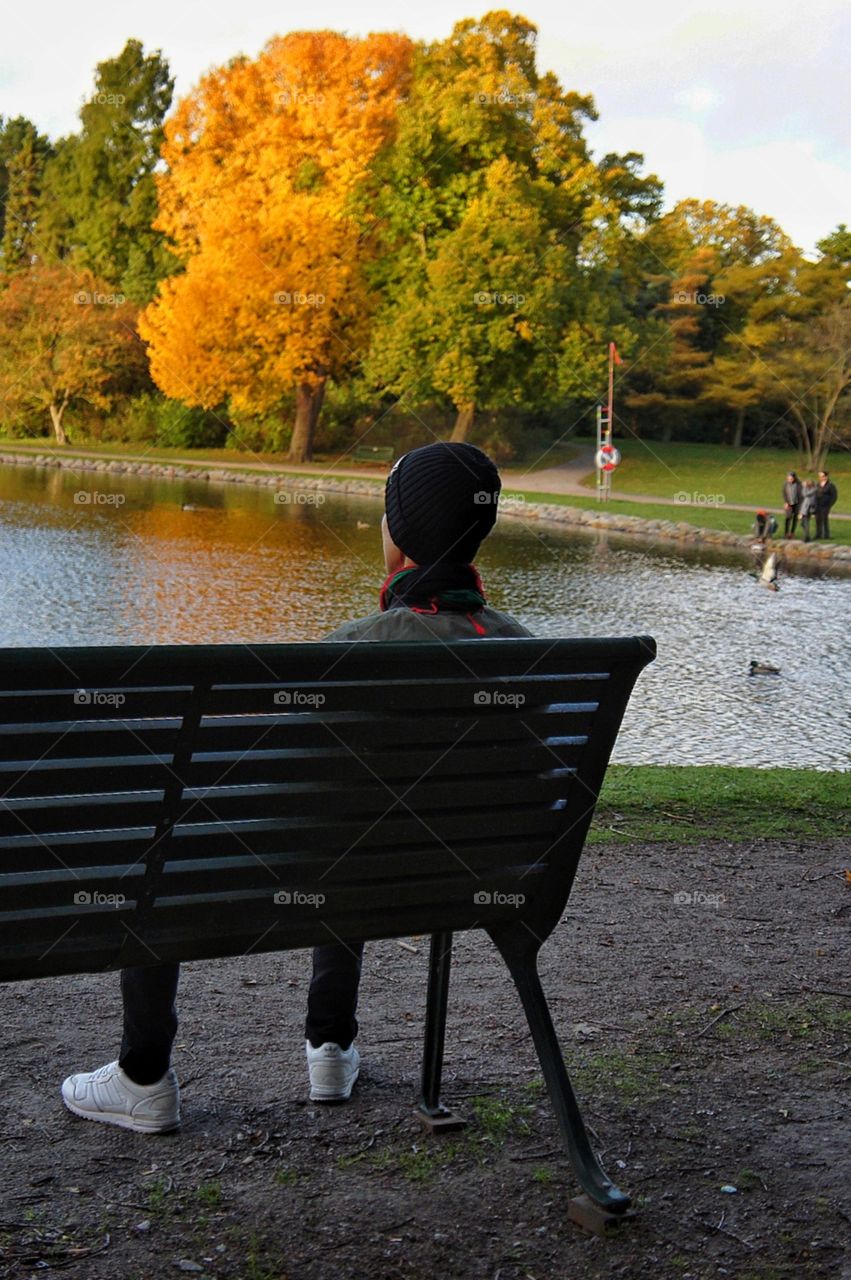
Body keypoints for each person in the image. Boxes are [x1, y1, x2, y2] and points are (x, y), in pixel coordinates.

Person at [60, 443, 532, 1133]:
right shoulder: (530, 651)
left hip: (319, 874)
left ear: (396, 535)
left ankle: (141, 1077)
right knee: (356, 830)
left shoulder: (349, 649)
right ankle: (330, 1045)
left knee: (175, 838)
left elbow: (282, 790)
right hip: (469, 879)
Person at [814, 470, 838, 540]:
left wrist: (829, 504)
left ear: (826, 477)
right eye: (819, 476)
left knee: (824, 519)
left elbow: (834, 496)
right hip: (817, 504)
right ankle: (818, 534)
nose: (820, 478)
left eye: (822, 476)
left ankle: (826, 535)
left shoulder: (830, 485)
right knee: (818, 519)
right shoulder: (817, 484)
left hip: (825, 505)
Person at [782, 471, 803, 538]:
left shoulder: (799, 484)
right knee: (788, 517)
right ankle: (786, 532)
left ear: (794, 478)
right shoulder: (785, 484)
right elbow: (784, 493)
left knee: (795, 518)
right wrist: (786, 502)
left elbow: (801, 495)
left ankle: (792, 533)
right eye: (788, 479)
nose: (789, 480)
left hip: (797, 503)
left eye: (791, 479)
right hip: (789, 503)